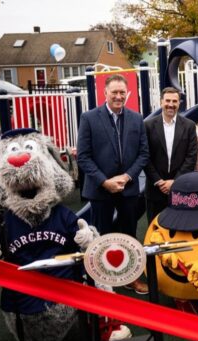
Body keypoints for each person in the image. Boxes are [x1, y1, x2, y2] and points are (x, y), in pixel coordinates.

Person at [77, 73, 149, 294]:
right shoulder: (89, 118)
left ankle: (131, 277)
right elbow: (83, 156)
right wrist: (104, 181)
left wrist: (127, 177)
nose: (118, 96)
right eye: (114, 92)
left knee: (128, 234)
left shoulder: (136, 118)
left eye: (121, 92)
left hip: (127, 188)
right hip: (101, 189)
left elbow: (143, 154)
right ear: (105, 93)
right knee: (101, 235)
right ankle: (104, 281)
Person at [143, 87, 198, 222]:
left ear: (179, 103)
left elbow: (191, 156)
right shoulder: (148, 125)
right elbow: (144, 156)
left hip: (180, 188)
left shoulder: (189, 125)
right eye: (167, 100)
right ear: (161, 102)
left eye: (175, 101)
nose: (171, 104)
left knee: (179, 227)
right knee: (155, 229)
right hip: (155, 189)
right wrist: (159, 181)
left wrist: (175, 181)